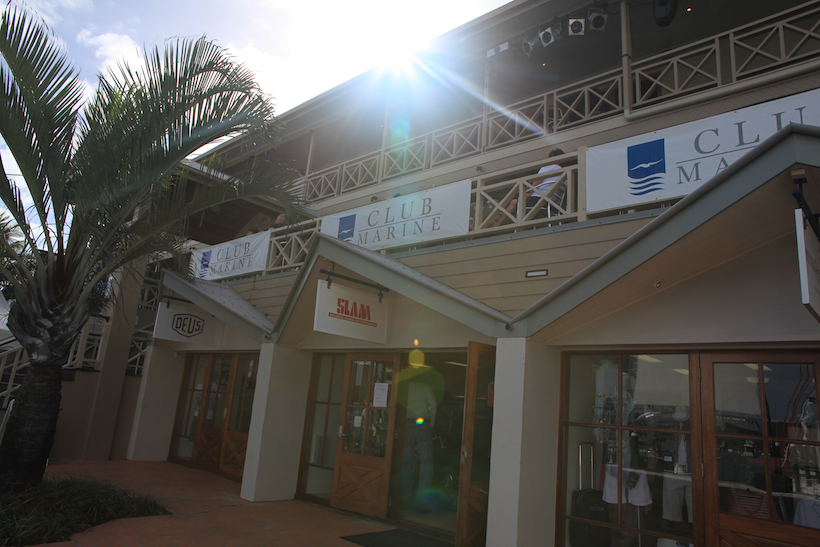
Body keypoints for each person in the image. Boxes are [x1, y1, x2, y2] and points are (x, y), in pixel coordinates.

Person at [400, 350, 442, 513]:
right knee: (425, 462)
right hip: (422, 424)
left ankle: (404, 498)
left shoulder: (404, 389)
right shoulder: (425, 387)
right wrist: (431, 424)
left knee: (407, 462)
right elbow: (433, 406)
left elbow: (392, 405)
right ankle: (422, 498)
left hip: (405, 424)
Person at [492, 148, 565, 227]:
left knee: (514, 202)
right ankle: (513, 226)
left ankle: (498, 225)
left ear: (553, 157)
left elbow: (538, 181)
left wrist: (530, 192)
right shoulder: (565, 175)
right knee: (519, 205)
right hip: (553, 206)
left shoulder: (549, 167)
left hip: (539, 201)